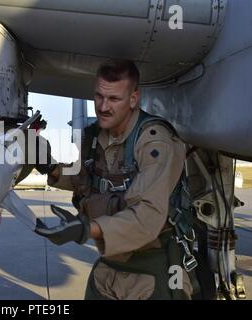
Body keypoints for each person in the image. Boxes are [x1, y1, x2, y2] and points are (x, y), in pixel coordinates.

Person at [33, 59, 196, 300]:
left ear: (133, 99)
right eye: (99, 96)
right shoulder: (99, 137)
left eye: (114, 99)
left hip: (153, 263)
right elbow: (86, 176)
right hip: (112, 260)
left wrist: (86, 229)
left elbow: (147, 216)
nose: (103, 107)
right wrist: (48, 166)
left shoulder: (155, 142)